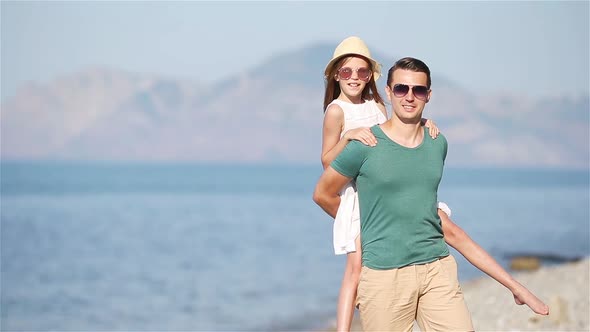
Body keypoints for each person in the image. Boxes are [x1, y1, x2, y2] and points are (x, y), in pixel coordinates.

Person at [317, 45, 549, 331]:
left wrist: (516, 286)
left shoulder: (437, 142)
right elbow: (323, 194)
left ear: (428, 95)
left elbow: (447, 228)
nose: (410, 96)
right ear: (388, 93)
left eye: (418, 90)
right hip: (384, 278)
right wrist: (369, 222)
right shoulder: (364, 145)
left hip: (436, 270)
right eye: (401, 89)